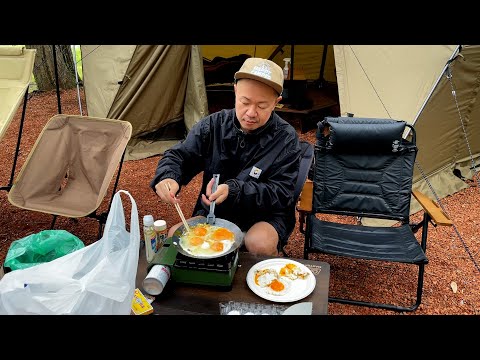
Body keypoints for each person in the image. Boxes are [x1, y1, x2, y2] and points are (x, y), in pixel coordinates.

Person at [150, 57, 301, 256]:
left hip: (266, 215)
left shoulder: (286, 138)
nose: (251, 112)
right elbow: (180, 155)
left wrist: (235, 190)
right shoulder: (214, 125)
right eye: (244, 102)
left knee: (258, 243)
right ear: (235, 91)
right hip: (215, 211)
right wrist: (168, 176)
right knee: (175, 235)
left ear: (276, 103)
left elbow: (281, 193)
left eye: (262, 106)